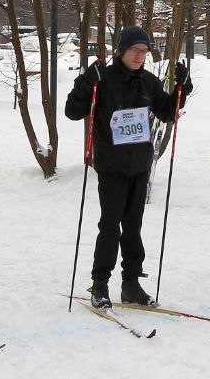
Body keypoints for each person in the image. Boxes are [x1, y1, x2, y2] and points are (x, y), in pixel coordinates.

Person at [65, 26, 192, 309]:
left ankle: (131, 284)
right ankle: (100, 284)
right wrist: (85, 82)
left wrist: (182, 89)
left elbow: (167, 112)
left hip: (139, 166)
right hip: (112, 166)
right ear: (122, 50)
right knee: (110, 226)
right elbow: (73, 112)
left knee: (133, 227)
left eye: (144, 51)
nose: (139, 56)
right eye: (134, 50)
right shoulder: (104, 79)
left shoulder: (149, 81)